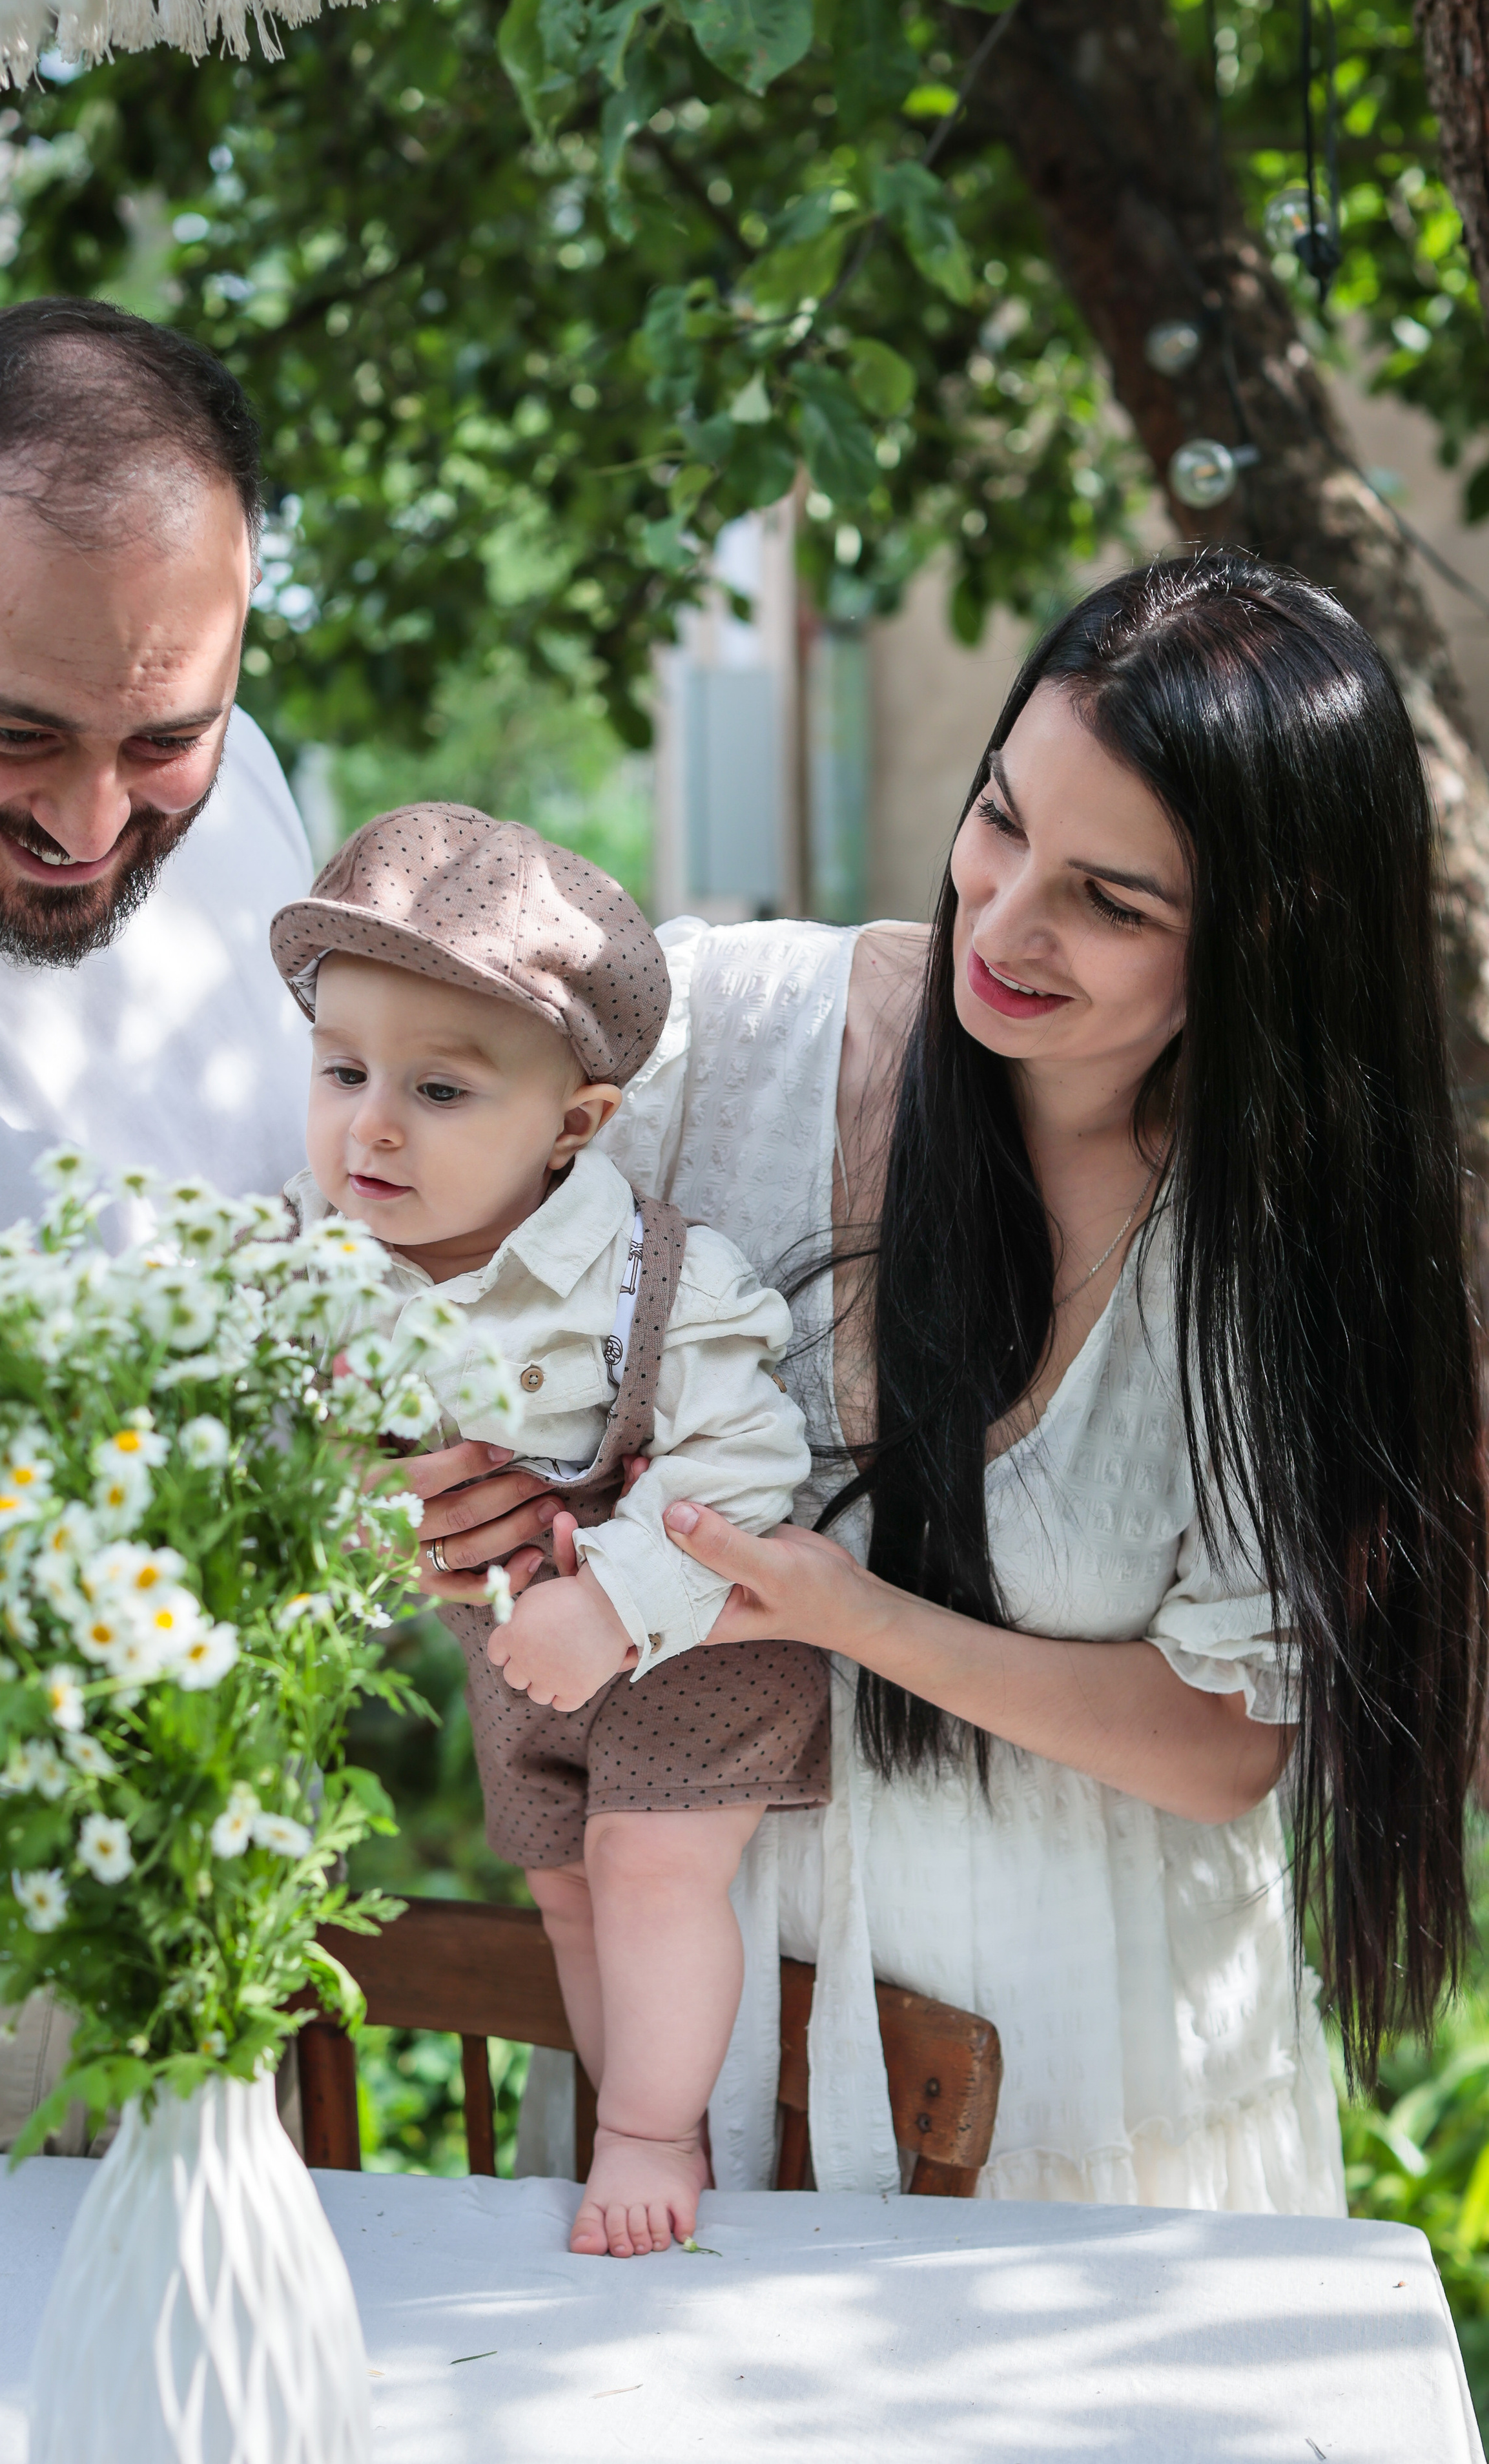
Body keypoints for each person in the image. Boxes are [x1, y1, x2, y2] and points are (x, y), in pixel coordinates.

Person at [424, 554, 1486, 2209]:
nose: (1001, 922)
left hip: (1090, 2048)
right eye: (998, 820)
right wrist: (427, 1494)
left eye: (1110, 901)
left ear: (1269, 928)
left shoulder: (1275, 1236)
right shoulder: (731, 1033)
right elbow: (409, 1244)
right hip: (702, 2022)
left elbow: (1224, 1742)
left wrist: (833, 1611)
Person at [0, 297, 314, 2153]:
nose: (91, 822)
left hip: (208, 1899)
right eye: (16, 735)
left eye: (160, 737)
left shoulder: (248, 787)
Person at [269, 805, 828, 2255]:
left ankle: (656, 2135)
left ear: (572, 1125)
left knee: (647, 1864)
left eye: (439, 1092)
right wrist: (352, 1516)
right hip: (510, 1651)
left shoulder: (651, 1275)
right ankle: (611, 2109)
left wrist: (618, 1600)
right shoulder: (323, 1267)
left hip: (689, 1630)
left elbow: (753, 1461)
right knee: (568, 1890)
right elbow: (305, 1468)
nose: (370, 1124)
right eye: (341, 1072)